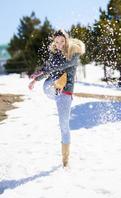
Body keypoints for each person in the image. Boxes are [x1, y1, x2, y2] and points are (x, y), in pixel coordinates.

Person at [28, 29, 85, 167]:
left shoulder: (74, 53)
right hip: (54, 88)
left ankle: (65, 161)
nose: (59, 44)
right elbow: (49, 67)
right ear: (54, 42)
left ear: (66, 40)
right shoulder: (54, 55)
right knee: (47, 85)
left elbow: (61, 65)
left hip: (66, 92)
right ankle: (57, 87)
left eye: (62, 41)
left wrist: (45, 71)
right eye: (57, 42)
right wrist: (36, 79)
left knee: (64, 126)